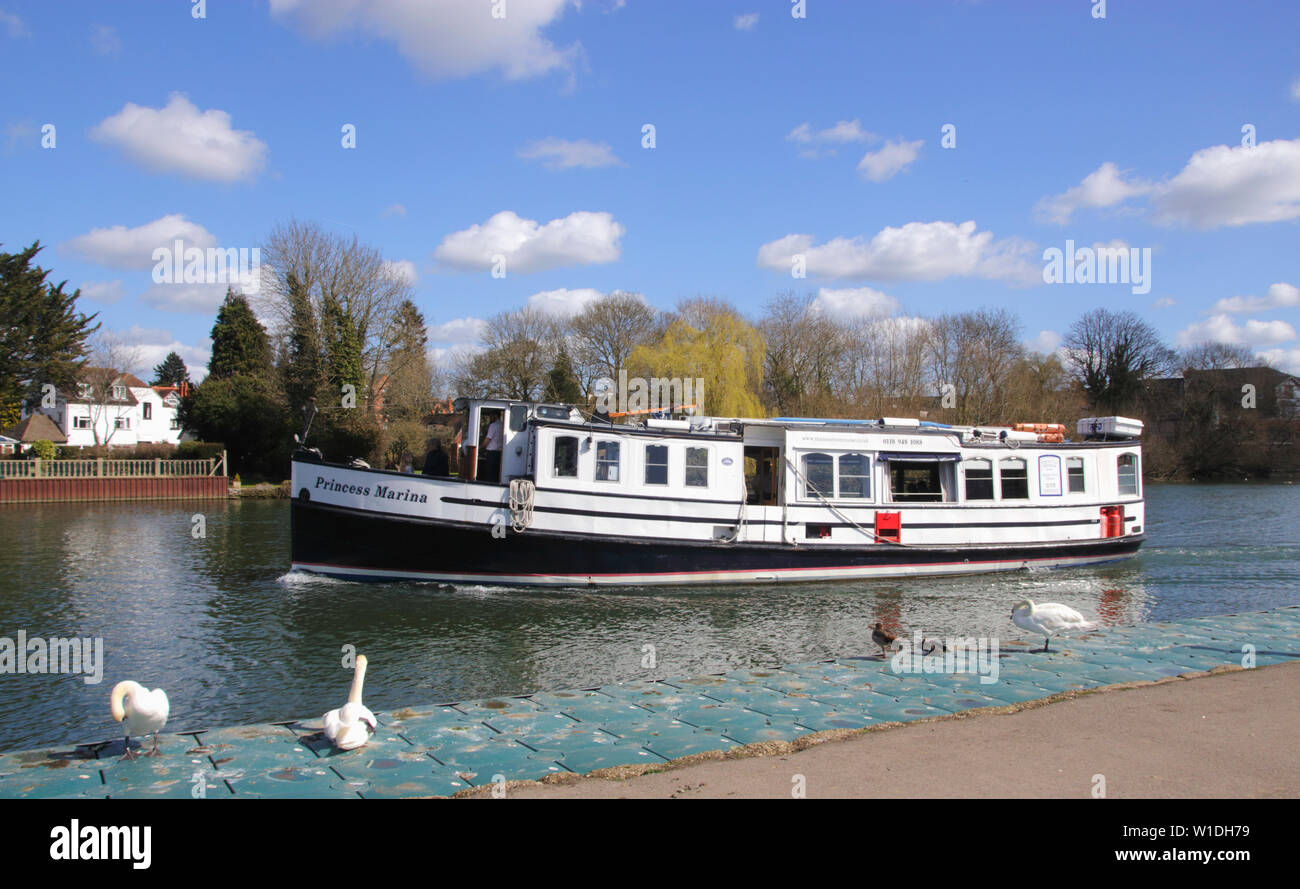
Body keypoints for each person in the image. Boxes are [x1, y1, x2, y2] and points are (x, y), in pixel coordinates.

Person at [482, 414, 503, 482]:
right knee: (496, 473)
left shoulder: (493, 425)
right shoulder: (503, 424)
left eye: (490, 417)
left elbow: (488, 438)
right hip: (500, 453)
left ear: (495, 416)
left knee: (490, 473)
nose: (490, 419)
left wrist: (481, 447)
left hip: (491, 453)